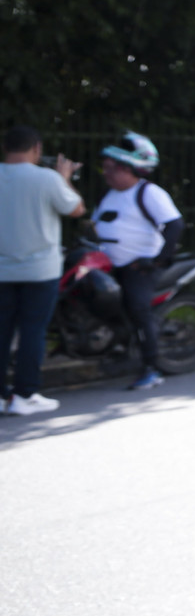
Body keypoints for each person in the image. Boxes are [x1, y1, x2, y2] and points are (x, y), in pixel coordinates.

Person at [0, 125, 86, 416]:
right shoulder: (48, 179)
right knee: (32, 332)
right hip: (40, 271)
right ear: (36, 148)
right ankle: (25, 394)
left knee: (1, 332)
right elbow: (76, 210)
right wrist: (64, 179)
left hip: (1, 270)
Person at [93, 132, 184, 391]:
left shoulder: (149, 193)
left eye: (112, 169)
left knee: (137, 308)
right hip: (107, 265)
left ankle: (151, 367)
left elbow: (175, 226)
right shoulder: (107, 195)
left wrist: (156, 261)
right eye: (106, 168)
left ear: (129, 169)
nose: (106, 173)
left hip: (139, 267)